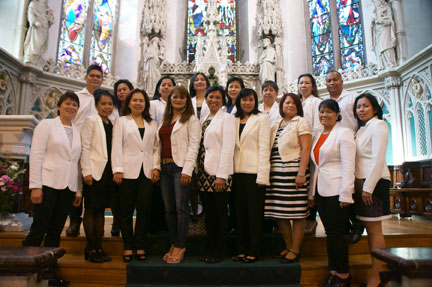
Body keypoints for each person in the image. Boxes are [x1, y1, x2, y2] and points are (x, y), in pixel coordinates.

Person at [23, 92, 82, 286]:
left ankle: (49, 275)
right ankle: (26, 273)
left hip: (68, 186)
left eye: (74, 105)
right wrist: (35, 187)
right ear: (59, 106)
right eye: (67, 104)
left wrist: (78, 190)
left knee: (56, 231)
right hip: (47, 184)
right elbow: (36, 155)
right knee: (39, 228)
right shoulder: (46, 125)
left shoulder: (77, 130)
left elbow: (77, 162)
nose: (71, 107)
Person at [309, 99, 356, 287]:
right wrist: (311, 193)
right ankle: (333, 271)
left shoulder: (344, 133)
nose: (324, 115)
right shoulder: (318, 135)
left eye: (329, 112)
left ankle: (343, 275)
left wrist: (346, 193)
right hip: (321, 189)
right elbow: (316, 167)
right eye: (321, 112)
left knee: (337, 234)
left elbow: (348, 165)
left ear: (337, 115)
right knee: (330, 233)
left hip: (337, 190)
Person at [111, 89, 160, 262]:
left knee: (144, 211)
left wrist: (156, 167)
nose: (138, 103)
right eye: (135, 100)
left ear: (146, 104)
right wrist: (117, 169)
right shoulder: (121, 121)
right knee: (125, 211)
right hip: (126, 171)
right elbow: (116, 146)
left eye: (141, 100)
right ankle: (127, 245)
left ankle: (140, 245)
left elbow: (156, 147)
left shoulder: (152, 123)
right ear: (129, 103)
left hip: (146, 172)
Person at [264, 93, 312, 263]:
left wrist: (301, 173)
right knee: (280, 213)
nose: (290, 105)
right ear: (281, 105)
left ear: (298, 105)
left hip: (293, 171)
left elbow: (306, 149)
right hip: (276, 172)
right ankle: (289, 246)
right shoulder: (277, 123)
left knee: (297, 213)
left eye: (293, 103)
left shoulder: (301, 122)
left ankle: (296, 249)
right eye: (286, 102)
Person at [158, 86, 200, 264]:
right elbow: (157, 144)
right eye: (174, 97)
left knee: (181, 208)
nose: (177, 99)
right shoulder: (165, 119)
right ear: (170, 99)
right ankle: (173, 242)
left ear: (186, 100)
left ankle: (180, 245)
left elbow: (194, 145)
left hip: (180, 168)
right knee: (169, 209)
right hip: (165, 167)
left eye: (182, 97)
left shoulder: (191, 119)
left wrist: (187, 170)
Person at [353, 93, 391, 287]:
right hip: (362, 183)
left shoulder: (379, 126)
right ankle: (376, 273)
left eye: (365, 106)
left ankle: (377, 277)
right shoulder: (361, 130)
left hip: (374, 184)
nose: (361, 110)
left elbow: (378, 158)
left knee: (375, 231)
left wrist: (368, 187)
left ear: (375, 108)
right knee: (369, 228)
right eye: (358, 107)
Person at [197, 85, 236, 263]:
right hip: (204, 173)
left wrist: (222, 175)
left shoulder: (227, 118)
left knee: (220, 213)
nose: (213, 100)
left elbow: (228, 147)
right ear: (206, 99)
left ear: (223, 100)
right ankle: (210, 247)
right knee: (209, 213)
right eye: (210, 97)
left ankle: (219, 249)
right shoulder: (204, 118)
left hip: (220, 173)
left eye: (217, 98)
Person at [231, 89, 270, 263]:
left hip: (254, 172)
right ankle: (240, 249)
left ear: (255, 101)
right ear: (238, 101)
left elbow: (264, 147)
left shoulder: (262, 119)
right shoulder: (232, 119)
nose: (247, 102)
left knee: (254, 214)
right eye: (244, 100)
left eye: (250, 99)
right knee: (238, 213)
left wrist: (263, 175)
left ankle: (253, 250)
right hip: (235, 172)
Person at [326, 69, 364, 243]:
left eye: (335, 79)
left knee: (351, 185)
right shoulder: (324, 102)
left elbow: (362, 121)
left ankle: (357, 223)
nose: (332, 83)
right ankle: (346, 225)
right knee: (338, 186)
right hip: (332, 148)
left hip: (351, 146)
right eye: (329, 81)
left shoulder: (353, 98)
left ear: (342, 81)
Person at [66, 64, 104, 237]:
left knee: (92, 184)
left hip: (96, 148)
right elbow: (71, 120)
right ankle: (74, 220)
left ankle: (94, 220)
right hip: (78, 143)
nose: (95, 78)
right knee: (76, 183)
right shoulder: (77, 97)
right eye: (92, 75)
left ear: (102, 79)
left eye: (98, 76)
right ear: (86, 77)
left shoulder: (103, 99)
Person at [80, 89, 115, 263]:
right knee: (91, 209)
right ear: (96, 105)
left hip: (107, 172)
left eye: (110, 104)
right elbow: (85, 146)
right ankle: (90, 247)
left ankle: (98, 247)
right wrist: (86, 171)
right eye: (103, 103)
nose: (107, 107)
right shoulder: (91, 120)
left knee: (101, 209)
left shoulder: (113, 122)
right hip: (93, 171)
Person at [297, 73, 322, 235]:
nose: (304, 86)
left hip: (310, 148)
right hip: (297, 151)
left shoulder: (316, 102)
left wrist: (310, 148)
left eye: (307, 83)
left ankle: (311, 220)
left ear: (313, 86)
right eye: (301, 83)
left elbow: (317, 128)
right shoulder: (297, 103)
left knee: (311, 188)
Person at [110, 79, 134, 237]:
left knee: (128, 195)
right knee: (115, 193)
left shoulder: (137, 110)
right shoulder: (111, 108)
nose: (121, 92)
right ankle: (116, 220)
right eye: (119, 90)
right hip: (112, 154)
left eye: (124, 89)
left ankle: (123, 222)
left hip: (131, 158)